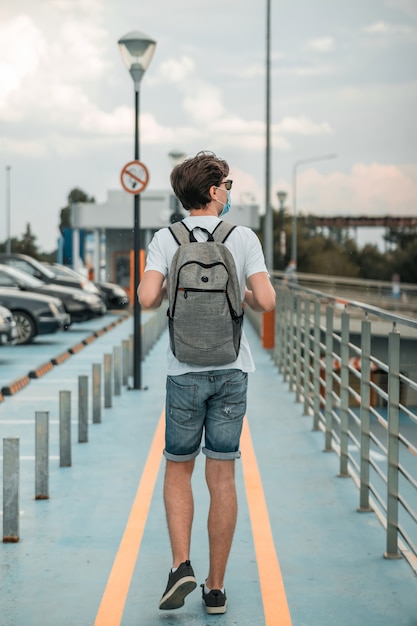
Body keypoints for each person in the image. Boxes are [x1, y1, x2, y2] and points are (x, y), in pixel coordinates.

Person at [138, 151, 276, 615]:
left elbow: (147, 299)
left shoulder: (165, 238)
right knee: (223, 474)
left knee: (179, 468)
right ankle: (215, 589)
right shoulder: (242, 237)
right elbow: (268, 302)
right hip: (232, 370)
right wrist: (242, 291)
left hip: (183, 372)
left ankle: (182, 565)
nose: (230, 192)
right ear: (214, 192)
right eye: (227, 185)